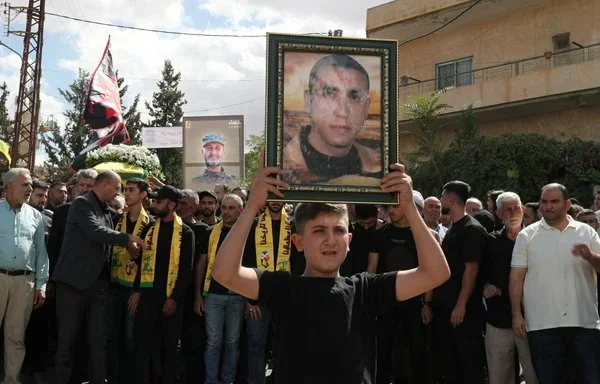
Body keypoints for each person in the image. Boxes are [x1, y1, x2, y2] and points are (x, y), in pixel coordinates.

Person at [210, 163, 450, 383]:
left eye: (338, 230)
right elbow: (224, 273)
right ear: (298, 241)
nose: (330, 240)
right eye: (318, 230)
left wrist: (409, 208)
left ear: (349, 240)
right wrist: (252, 205)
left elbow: (436, 272)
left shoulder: (365, 289)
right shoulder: (283, 287)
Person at [53, 170, 146, 384]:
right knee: (67, 340)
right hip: (73, 285)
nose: (117, 194)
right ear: (104, 184)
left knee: (98, 340)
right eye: (116, 188)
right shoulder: (82, 204)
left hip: (99, 286)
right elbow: (94, 231)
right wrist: (127, 238)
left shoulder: (106, 210)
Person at [510, 183, 600, 384]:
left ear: (567, 204)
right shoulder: (527, 235)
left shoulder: (587, 232)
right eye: (544, 201)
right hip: (542, 326)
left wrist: (590, 256)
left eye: (554, 201)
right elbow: (516, 277)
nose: (548, 206)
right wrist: (517, 314)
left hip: (583, 323)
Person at [282, 54, 381, 185]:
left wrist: (406, 204)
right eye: (329, 93)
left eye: (355, 96)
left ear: (366, 107)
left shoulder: (381, 168)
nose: (343, 111)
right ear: (308, 101)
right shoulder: (280, 165)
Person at [368, 190, 432, 384]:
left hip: (415, 301)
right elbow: (371, 268)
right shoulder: (380, 232)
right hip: (385, 301)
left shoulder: (421, 234)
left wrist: (427, 303)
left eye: (394, 206)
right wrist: (369, 300)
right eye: (387, 207)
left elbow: (429, 270)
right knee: (383, 350)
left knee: (417, 350)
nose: (390, 211)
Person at [132, 185, 194, 384]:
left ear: (172, 205)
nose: (154, 205)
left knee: (169, 346)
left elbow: (187, 270)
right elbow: (141, 263)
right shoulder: (150, 228)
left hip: (170, 299)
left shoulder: (186, 233)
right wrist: (136, 291)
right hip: (148, 297)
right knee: (144, 344)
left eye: (159, 202)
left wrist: (174, 299)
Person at [433, 180, 488, 384]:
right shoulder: (454, 229)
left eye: (442, 196)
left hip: (465, 311)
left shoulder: (472, 229)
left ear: (450, 199)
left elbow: (471, 269)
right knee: (452, 365)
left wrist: (461, 304)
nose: (439, 201)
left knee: (470, 364)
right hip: (448, 307)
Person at [0, 168, 49, 384]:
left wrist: (41, 285)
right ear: (10, 186)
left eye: (30, 185)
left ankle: (11, 380)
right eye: (25, 184)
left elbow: (41, 252)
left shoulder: (36, 216)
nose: (30, 189)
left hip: (24, 283)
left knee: (16, 337)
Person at [483, 192, 537, 384]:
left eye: (516, 208)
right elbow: (482, 272)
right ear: (498, 213)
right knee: (498, 374)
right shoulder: (491, 241)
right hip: (499, 317)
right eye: (508, 209)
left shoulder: (535, 239)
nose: (513, 213)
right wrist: (486, 285)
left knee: (533, 373)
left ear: (522, 209)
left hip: (532, 319)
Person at [241, 200, 293, 384]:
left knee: (284, 347)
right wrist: (250, 298)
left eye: (279, 198)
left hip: (287, 298)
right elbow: (245, 261)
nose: (275, 203)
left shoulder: (293, 225)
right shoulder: (254, 225)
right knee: (256, 346)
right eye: (271, 198)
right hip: (258, 297)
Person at [196, 194, 247, 384]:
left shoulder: (248, 233)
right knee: (213, 342)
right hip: (213, 295)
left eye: (232, 208)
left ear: (241, 211)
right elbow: (202, 263)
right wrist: (198, 296)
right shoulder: (210, 232)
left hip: (237, 296)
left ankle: (228, 381)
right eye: (224, 208)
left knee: (233, 342)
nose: (226, 212)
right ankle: (211, 381)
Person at [107, 178, 151, 384]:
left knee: (131, 338)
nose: (127, 193)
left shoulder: (150, 223)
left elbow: (149, 261)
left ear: (143, 194)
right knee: (113, 335)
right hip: (114, 284)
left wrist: (138, 290)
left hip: (134, 288)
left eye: (132, 190)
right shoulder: (117, 219)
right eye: (125, 190)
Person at [175, 189, 209, 384]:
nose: (181, 208)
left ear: (195, 206)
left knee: (193, 340)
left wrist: (197, 294)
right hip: (171, 292)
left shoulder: (203, 230)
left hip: (193, 294)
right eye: (179, 203)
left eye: (185, 204)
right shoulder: (170, 226)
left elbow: (201, 264)